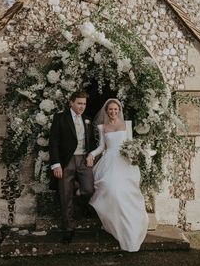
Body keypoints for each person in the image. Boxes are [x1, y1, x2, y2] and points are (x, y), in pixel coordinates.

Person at [87, 99, 149, 252]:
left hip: (125, 161)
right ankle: (113, 224)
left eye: (115, 109)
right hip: (109, 161)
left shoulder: (126, 124)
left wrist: (134, 154)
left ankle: (132, 228)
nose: (113, 112)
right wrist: (91, 154)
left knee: (126, 193)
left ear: (119, 110)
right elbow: (102, 146)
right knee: (111, 190)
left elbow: (130, 143)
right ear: (106, 111)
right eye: (110, 109)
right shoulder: (103, 126)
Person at [49, 91, 95, 243]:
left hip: (83, 160)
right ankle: (68, 229)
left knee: (88, 189)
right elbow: (54, 141)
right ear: (71, 102)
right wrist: (56, 164)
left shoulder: (87, 120)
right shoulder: (60, 118)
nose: (82, 107)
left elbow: (92, 143)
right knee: (65, 195)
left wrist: (91, 155)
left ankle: (77, 187)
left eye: (84, 104)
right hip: (66, 161)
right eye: (79, 103)